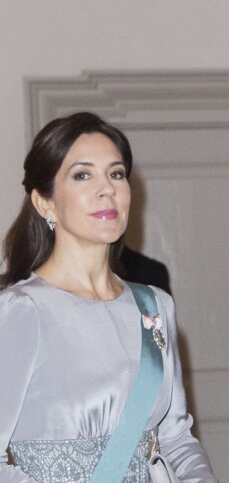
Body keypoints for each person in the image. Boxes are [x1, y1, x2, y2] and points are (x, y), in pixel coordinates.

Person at [0, 112, 217, 482]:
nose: (107, 189)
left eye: (116, 174)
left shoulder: (154, 306)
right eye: (83, 175)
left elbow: (177, 438)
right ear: (45, 203)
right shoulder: (21, 311)